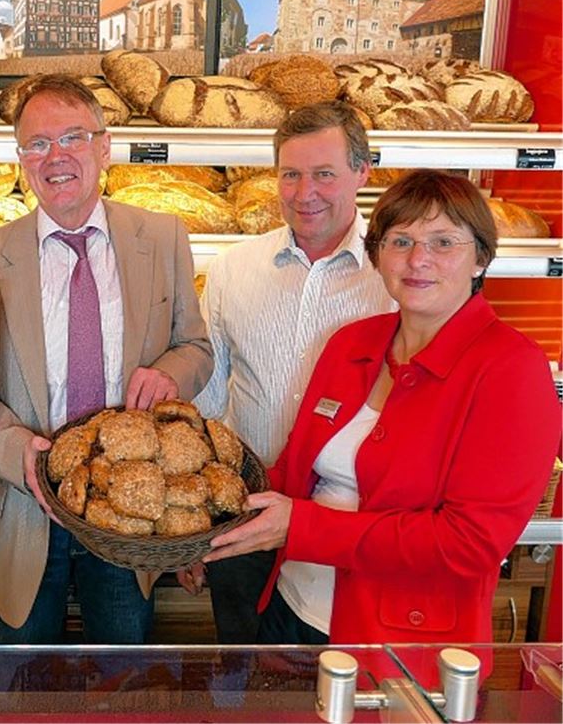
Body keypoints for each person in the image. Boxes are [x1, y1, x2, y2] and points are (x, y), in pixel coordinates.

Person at [203, 170, 559, 660]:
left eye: (443, 242)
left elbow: (468, 543)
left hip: (400, 642)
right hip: (292, 610)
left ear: (480, 258)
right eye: (401, 240)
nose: (418, 260)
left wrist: (302, 528)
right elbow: (293, 469)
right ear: (377, 256)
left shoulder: (510, 369)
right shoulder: (354, 343)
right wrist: (210, 528)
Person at [0, 74, 213, 644]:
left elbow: (196, 346)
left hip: (130, 509)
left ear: (104, 146)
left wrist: (170, 373)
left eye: (72, 137)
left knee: (121, 675)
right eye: (37, 144)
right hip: (26, 509)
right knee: (21, 678)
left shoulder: (163, 237)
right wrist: (7, 446)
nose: (55, 157)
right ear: (21, 159)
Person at [181, 101, 395, 644]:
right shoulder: (234, 267)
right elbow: (208, 398)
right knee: (243, 669)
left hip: (348, 523)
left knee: (332, 679)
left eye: (324, 174)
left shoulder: (396, 277)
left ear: (362, 172)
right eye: (290, 175)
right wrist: (197, 522)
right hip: (244, 509)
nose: (305, 193)